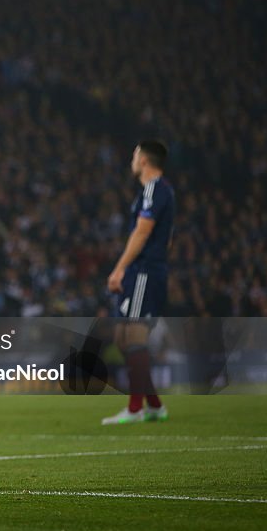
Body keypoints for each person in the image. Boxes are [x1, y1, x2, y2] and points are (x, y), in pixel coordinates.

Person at [103, 142, 174, 425]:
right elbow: (167, 238)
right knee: (122, 338)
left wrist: (119, 269)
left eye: (134, 155)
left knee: (133, 336)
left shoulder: (155, 189)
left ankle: (136, 408)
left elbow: (144, 231)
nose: (131, 160)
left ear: (144, 160)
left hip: (143, 272)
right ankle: (154, 404)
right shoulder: (155, 191)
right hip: (140, 271)